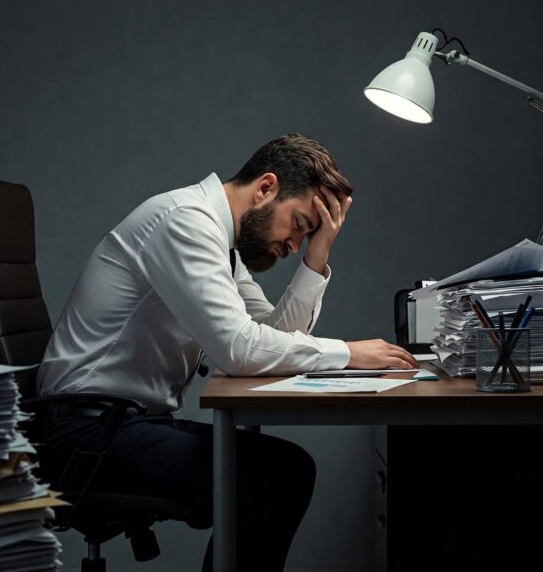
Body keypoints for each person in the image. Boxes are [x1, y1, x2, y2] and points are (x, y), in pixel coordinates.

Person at [36, 133, 417, 571]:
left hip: (120, 423)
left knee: (284, 469)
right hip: (86, 436)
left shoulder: (221, 244)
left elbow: (268, 335)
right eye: (298, 225)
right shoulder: (185, 223)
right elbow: (241, 352)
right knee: (276, 477)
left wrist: (318, 255)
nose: (293, 246)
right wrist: (348, 354)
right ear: (266, 189)